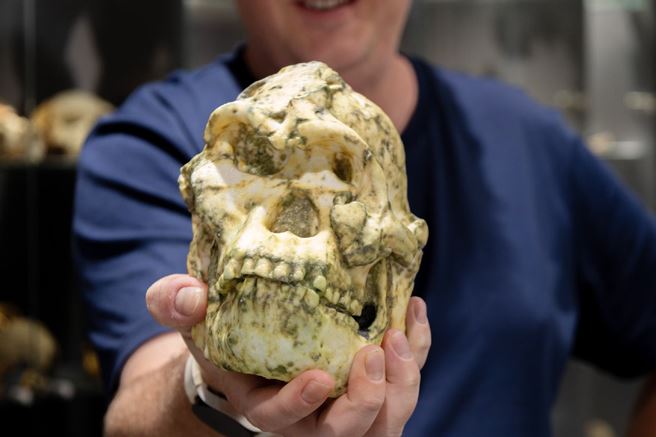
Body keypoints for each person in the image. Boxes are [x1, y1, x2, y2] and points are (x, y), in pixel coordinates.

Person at [72, 0, 656, 436]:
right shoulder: (148, 144)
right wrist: (208, 393)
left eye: (337, 184)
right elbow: (132, 413)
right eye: (258, 177)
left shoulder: (533, 144)